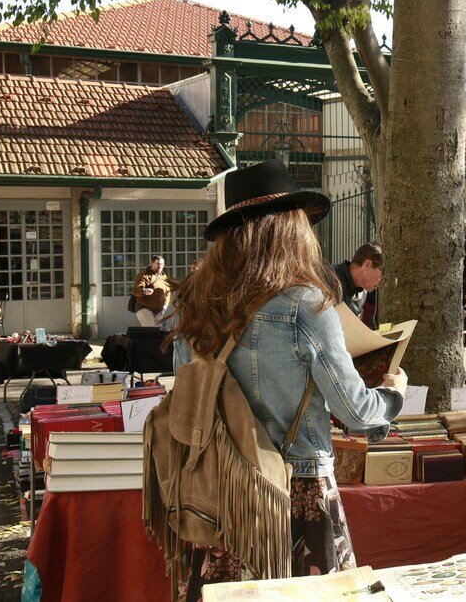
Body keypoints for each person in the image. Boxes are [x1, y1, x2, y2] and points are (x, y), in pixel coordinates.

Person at [170, 159, 406, 594]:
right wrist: (393, 395)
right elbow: (356, 411)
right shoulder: (305, 304)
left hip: (217, 487)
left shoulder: (193, 303)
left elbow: (190, 395)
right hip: (295, 485)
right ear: (290, 230)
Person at [334, 243, 383, 322]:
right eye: (383, 272)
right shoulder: (328, 277)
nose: (382, 281)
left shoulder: (363, 293)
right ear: (367, 264)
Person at [132, 255, 171, 327]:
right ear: (152, 263)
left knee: (157, 331)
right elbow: (136, 290)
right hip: (144, 307)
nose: (160, 266)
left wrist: (165, 306)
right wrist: (144, 291)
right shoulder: (143, 275)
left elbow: (168, 293)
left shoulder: (164, 277)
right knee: (150, 328)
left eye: (162, 264)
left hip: (159, 310)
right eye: (157, 263)